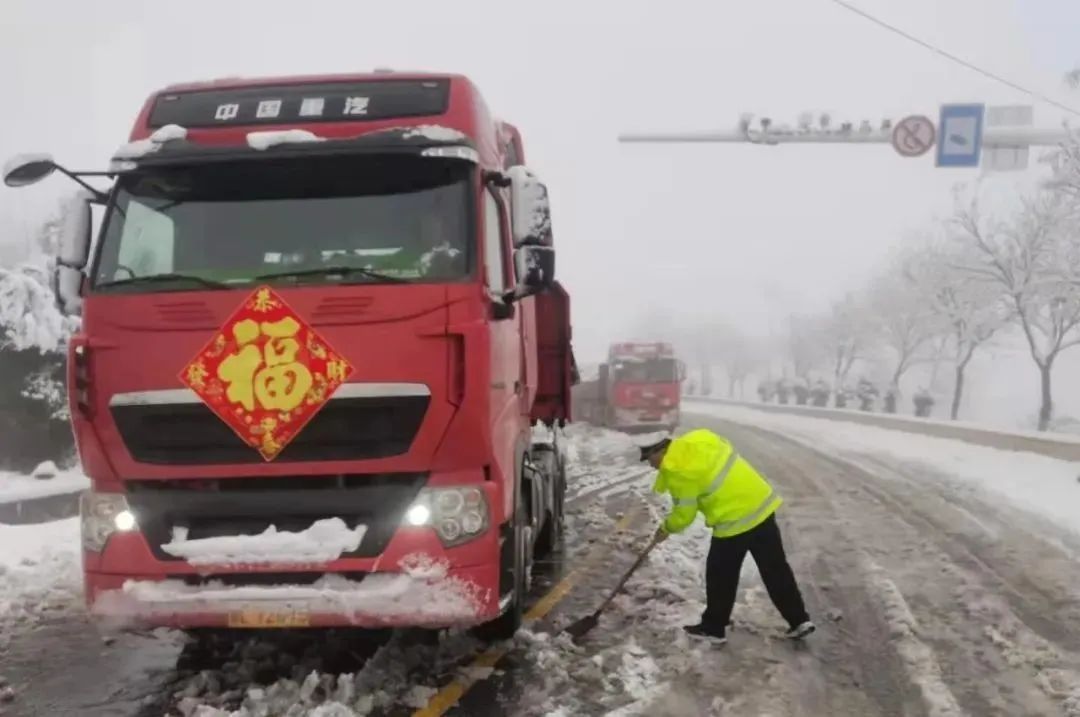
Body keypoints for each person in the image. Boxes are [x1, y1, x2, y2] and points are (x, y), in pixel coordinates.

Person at [639, 430, 815, 646]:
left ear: (660, 451)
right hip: (760, 505)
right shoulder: (699, 439)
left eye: (649, 458)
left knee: (720, 576)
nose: (650, 465)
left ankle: (714, 627)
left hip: (734, 521)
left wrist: (665, 528)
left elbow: (684, 515)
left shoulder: (678, 471)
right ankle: (799, 620)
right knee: (776, 569)